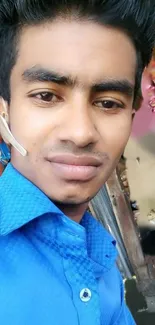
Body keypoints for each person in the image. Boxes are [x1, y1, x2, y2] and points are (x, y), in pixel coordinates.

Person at [0, 0, 154, 324]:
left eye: (109, 102)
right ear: (4, 109)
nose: (81, 132)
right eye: (46, 95)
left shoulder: (98, 248)